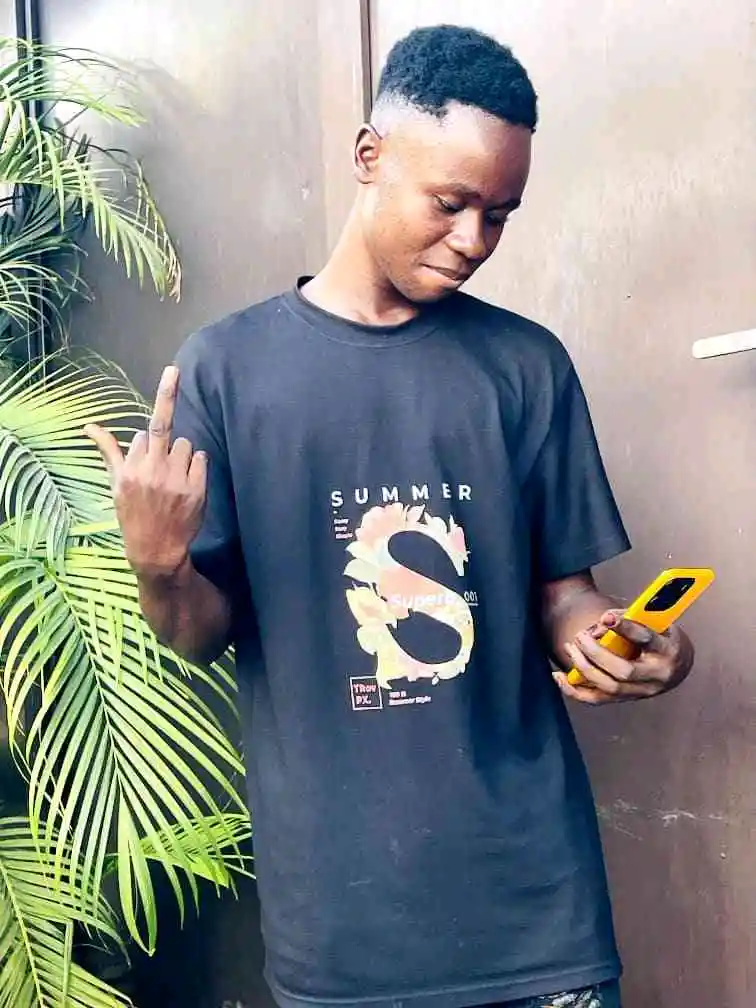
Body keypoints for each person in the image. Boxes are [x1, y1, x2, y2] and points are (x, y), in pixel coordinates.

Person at [87, 24, 695, 1008]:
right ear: (370, 156)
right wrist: (159, 566)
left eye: (500, 215)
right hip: (344, 928)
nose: (474, 240)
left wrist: (621, 644)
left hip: (538, 910)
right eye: (451, 203)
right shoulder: (227, 370)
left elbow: (565, 597)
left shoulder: (525, 366)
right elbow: (200, 631)